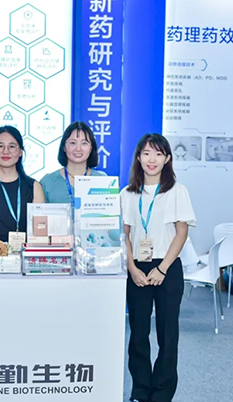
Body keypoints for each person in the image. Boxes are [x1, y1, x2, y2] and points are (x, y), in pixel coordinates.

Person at [120, 133, 196, 402]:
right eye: (146, 153)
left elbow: (181, 233)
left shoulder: (177, 191)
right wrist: (132, 268)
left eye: (158, 154)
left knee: (168, 333)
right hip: (137, 269)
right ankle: (140, 391)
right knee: (138, 333)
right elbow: (124, 236)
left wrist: (162, 269)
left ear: (167, 159)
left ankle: (162, 393)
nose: (151, 159)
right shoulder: (127, 194)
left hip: (167, 267)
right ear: (138, 158)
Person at [40, 122, 106, 204]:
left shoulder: (102, 180)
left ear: (91, 148)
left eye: (84, 143)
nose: (78, 148)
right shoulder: (47, 181)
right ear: (64, 147)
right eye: (73, 143)